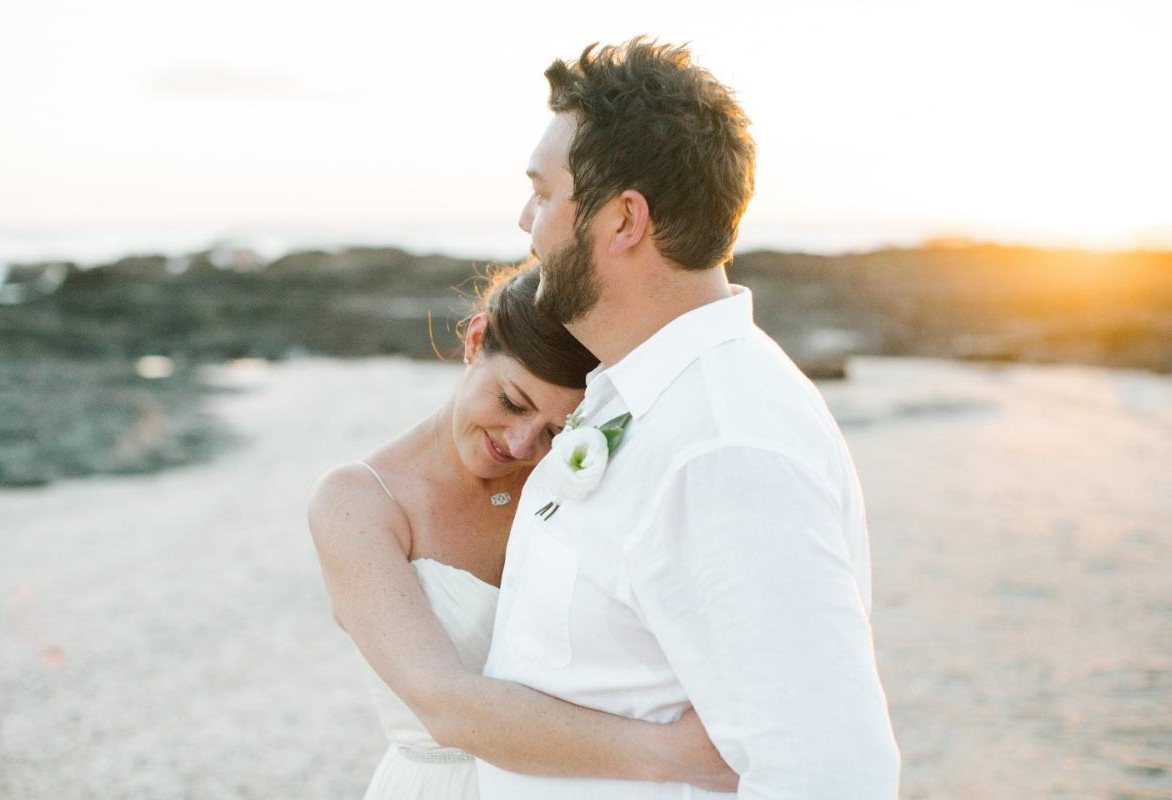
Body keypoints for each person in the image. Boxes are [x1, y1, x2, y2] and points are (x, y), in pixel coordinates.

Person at [477, 38, 902, 799]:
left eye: (543, 194)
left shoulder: (723, 445)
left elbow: (831, 774)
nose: (525, 222)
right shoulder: (638, 395)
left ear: (623, 220)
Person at [308, 263, 738, 799]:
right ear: (475, 338)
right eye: (513, 402)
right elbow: (445, 705)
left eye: (556, 430)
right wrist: (673, 755)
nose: (519, 444)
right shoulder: (357, 503)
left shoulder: (567, 479)